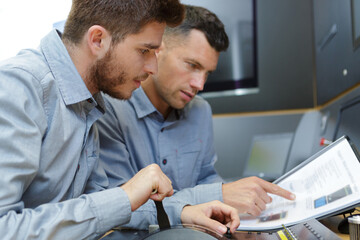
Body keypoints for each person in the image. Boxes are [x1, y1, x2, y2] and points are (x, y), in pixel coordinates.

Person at [0, 1, 240, 239]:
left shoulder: (88, 100)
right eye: (145, 51)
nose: (152, 67)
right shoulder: (18, 88)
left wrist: (182, 212)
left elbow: (103, 203)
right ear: (98, 40)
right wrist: (126, 195)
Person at [97, 4, 296, 224]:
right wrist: (220, 194)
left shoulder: (200, 111)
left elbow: (205, 177)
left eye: (207, 73)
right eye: (192, 65)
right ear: (157, 49)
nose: (200, 84)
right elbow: (121, 208)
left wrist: (231, 209)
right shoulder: (110, 109)